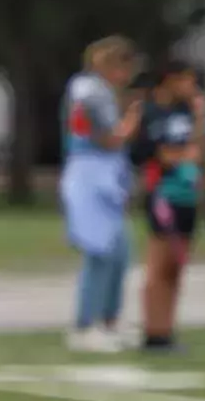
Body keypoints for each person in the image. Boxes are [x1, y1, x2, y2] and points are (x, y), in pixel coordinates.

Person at [59, 36, 145, 352]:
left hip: (106, 173)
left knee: (121, 251)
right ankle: (85, 324)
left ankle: (109, 319)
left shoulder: (98, 90)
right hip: (90, 172)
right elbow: (111, 137)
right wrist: (132, 119)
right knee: (100, 250)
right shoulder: (90, 90)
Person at [132, 58, 205, 352]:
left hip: (188, 194)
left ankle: (167, 329)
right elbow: (153, 153)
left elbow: (199, 149)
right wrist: (179, 155)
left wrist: (200, 116)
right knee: (158, 265)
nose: (191, 87)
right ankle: (153, 330)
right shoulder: (152, 112)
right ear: (170, 80)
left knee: (177, 265)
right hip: (163, 194)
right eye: (186, 80)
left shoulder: (187, 111)